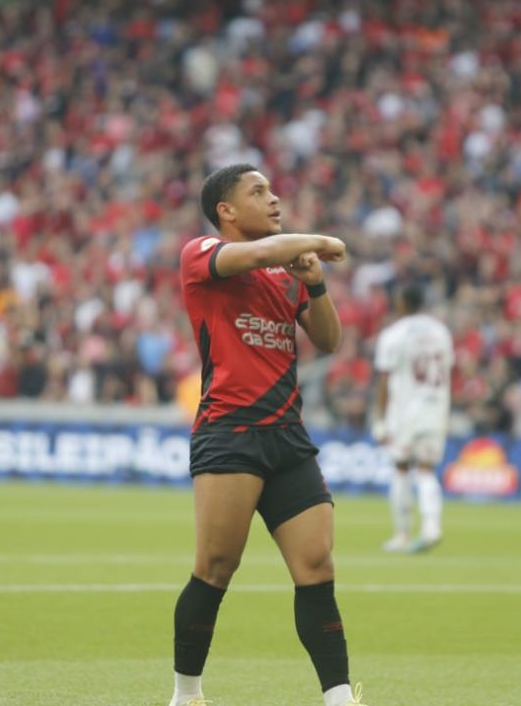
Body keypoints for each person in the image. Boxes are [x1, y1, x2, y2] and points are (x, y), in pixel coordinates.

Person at [170, 164, 365, 706]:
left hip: (288, 438)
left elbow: (328, 339)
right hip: (229, 432)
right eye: (258, 192)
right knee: (215, 569)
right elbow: (255, 255)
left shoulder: (286, 272)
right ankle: (187, 694)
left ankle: (340, 698)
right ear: (226, 210)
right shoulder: (202, 254)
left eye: (274, 190)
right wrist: (322, 243)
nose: (274, 198)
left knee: (317, 566)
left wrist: (315, 281)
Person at [371, 282, 454, 553]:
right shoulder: (441, 332)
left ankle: (402, 534)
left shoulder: (394, 335)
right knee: (427, 468)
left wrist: (380, 419)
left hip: (405, 411)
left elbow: (384, 379)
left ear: (403, 303)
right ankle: (431, 528)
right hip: (436, 407)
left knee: (401, 466)